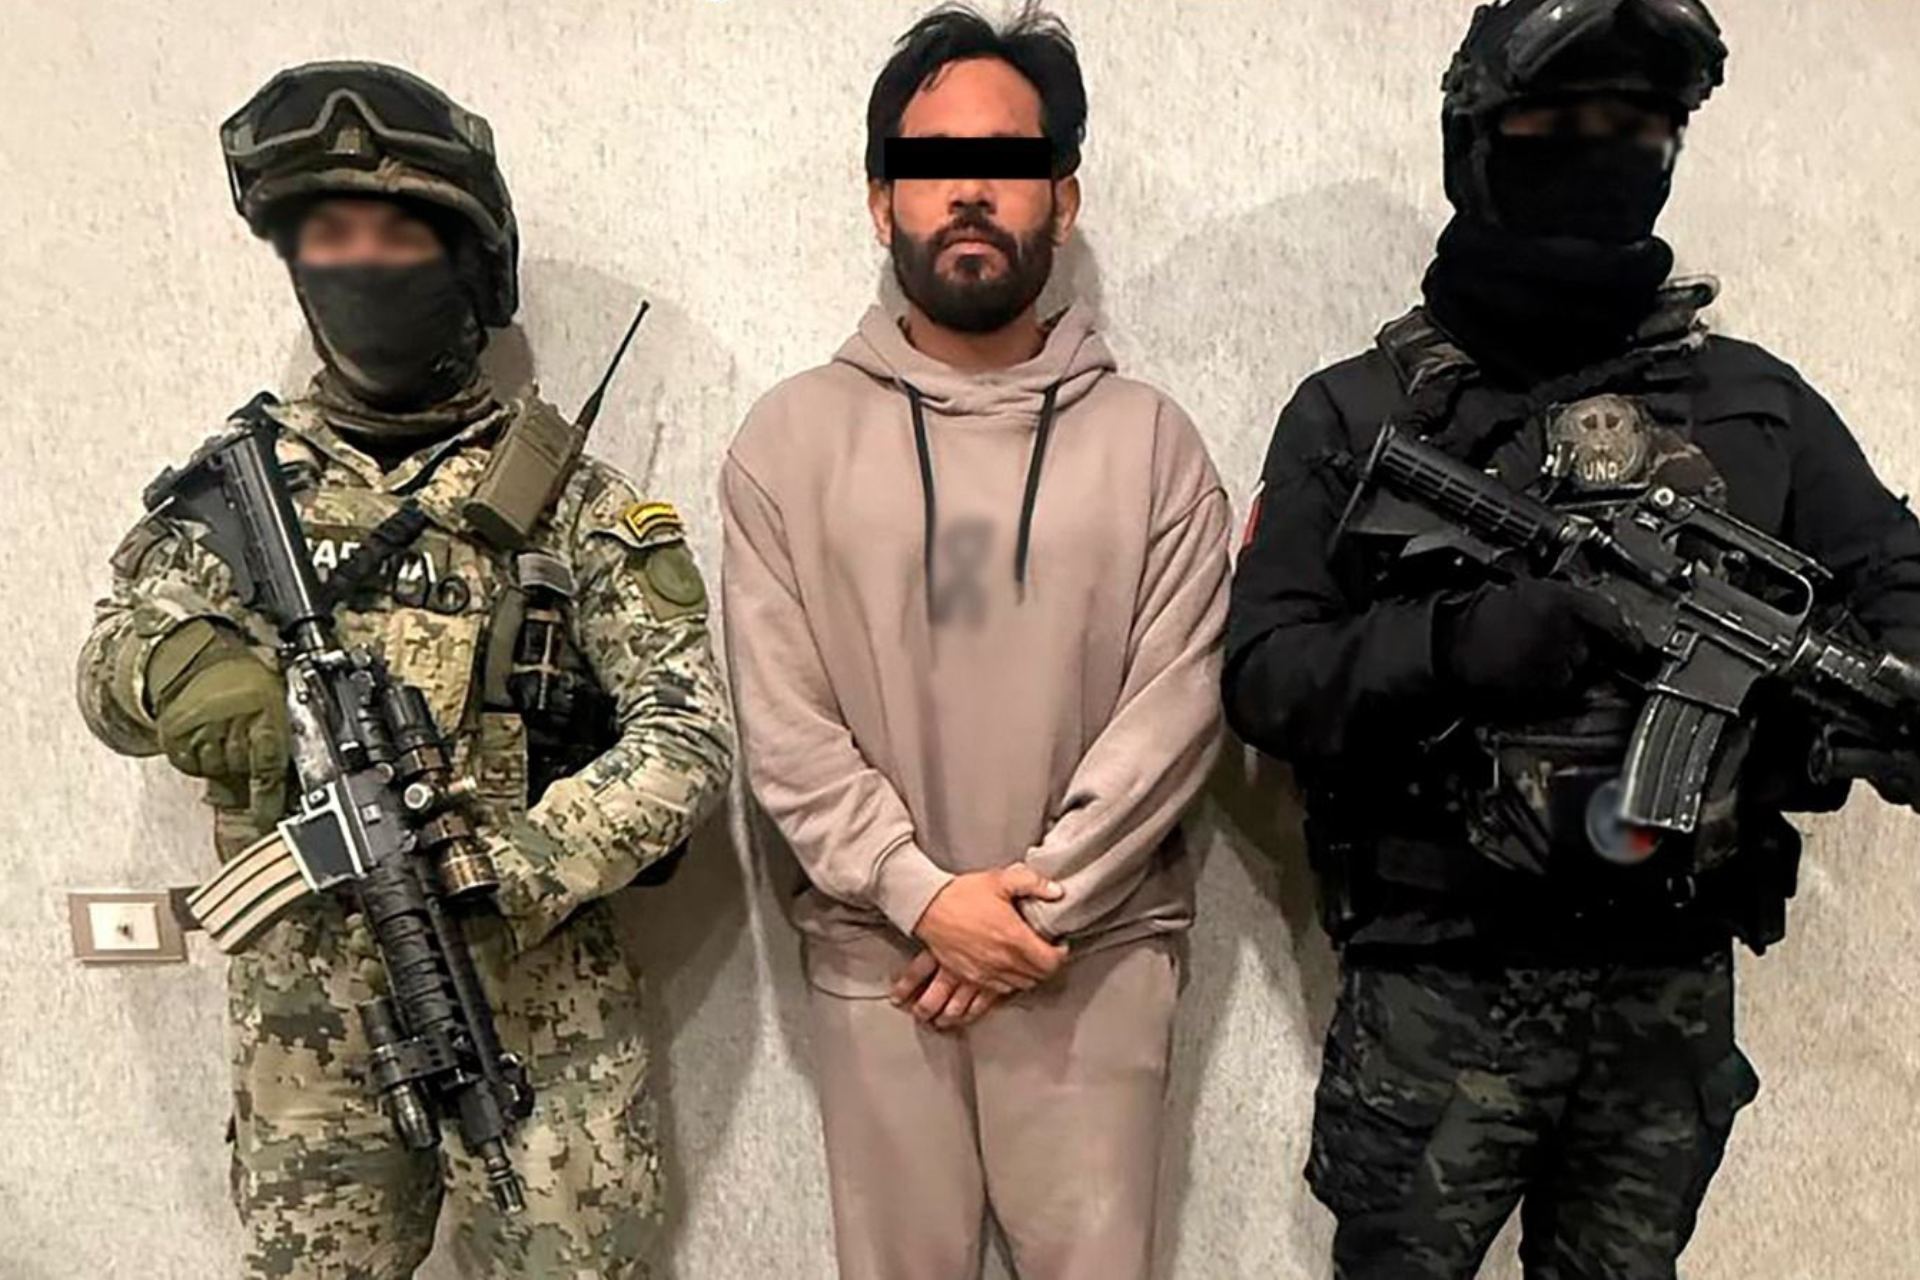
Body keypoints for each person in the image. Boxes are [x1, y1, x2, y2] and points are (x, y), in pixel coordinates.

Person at [1223, 2, 1920, 1277]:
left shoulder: (1753, 404)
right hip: (1440, 991)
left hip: (1663, 1000)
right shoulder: (1362, 413)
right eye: (1558, 123)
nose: (1602, 152)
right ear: (1477, 141)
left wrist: (1859, 715)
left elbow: (1895, 579)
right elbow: (1265, 675)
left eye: (1638, 126)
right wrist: (1456, 646)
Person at [75, 60, 733, 1279]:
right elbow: (112, 653)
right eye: (331, 235)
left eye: (398, 234)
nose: (363, 264)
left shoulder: (578, 503)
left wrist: (517, 861)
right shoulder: (238, 492)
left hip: (537, 1013)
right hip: (307, 1029)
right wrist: (178, 664)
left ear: (470, 263)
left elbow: (687, 733)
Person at [720, 7, 1229, 1278]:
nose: (970, 194)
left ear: (1063, 198)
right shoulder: (786, 444)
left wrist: (1024, 912)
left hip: (1090, 963)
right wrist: (923, 896)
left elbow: (1178, 706)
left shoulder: (1152, 444)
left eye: (1005, 164)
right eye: (935, 164)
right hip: (881, 965)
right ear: (881, 200)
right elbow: (784, 724)